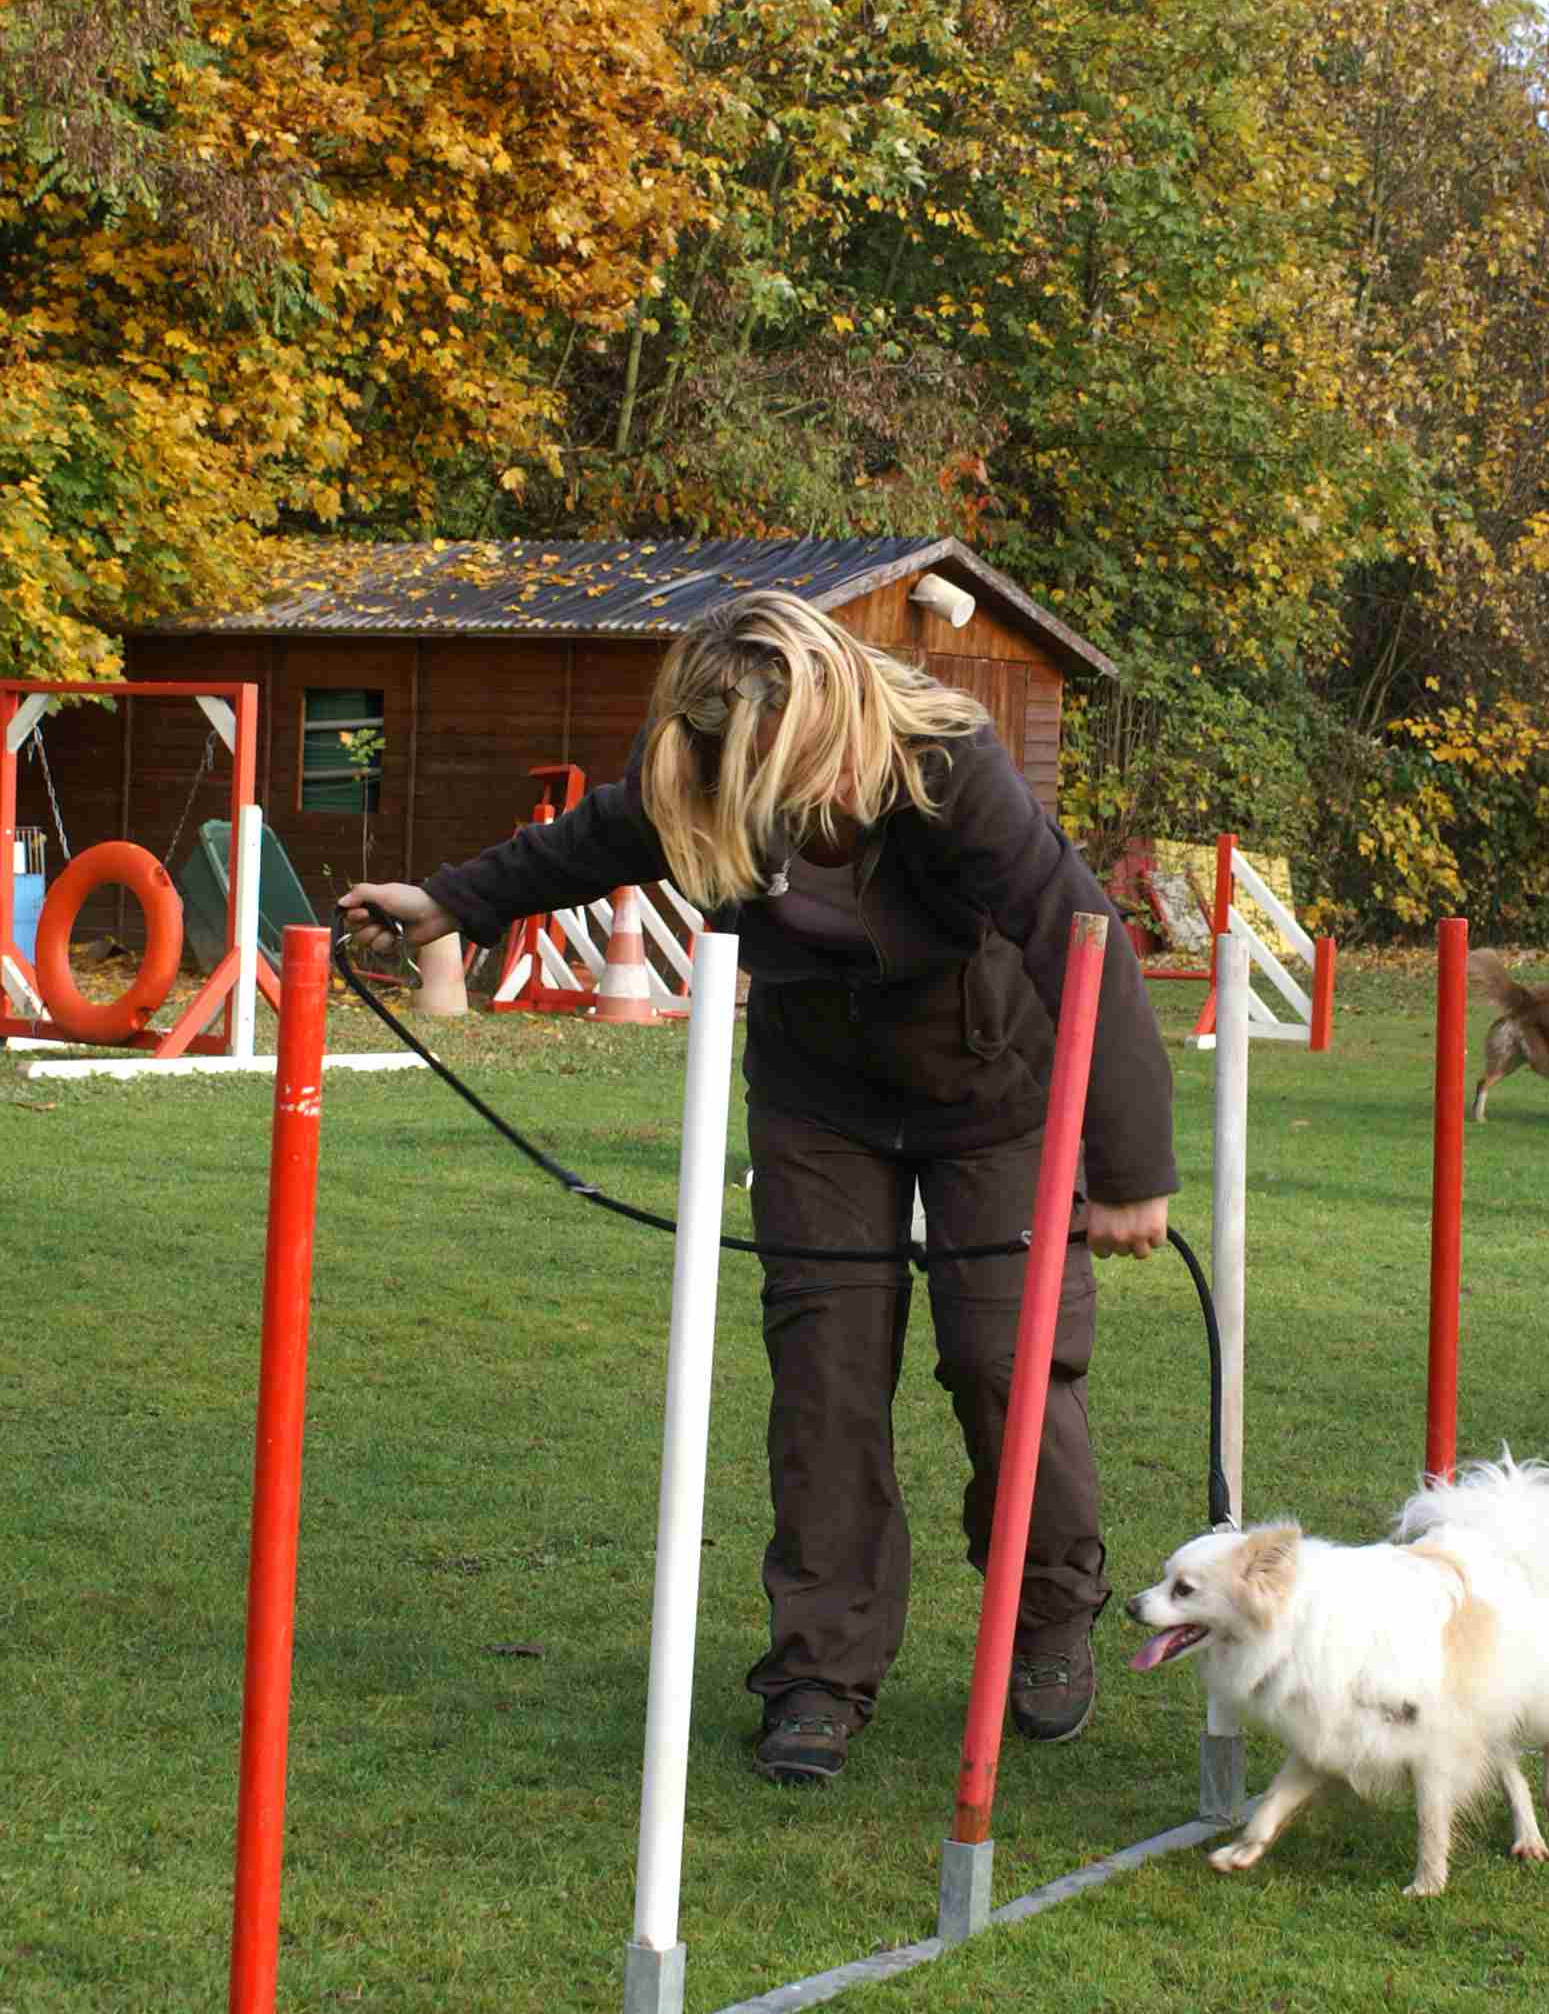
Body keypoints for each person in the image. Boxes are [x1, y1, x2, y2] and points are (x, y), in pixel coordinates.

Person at [342, 591, 1177, 1787]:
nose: (794, 793)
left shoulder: (948, 764)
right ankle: (818, 1674)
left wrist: (1130, 1167)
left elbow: (1077, 935)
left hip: (994, 1092)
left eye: (801, 762)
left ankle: (1046, 1616)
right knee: (825, 1378)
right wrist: (451, 902)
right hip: (817, 1101)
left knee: (1004, 1362)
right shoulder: (697, 763)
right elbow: (596, 838)